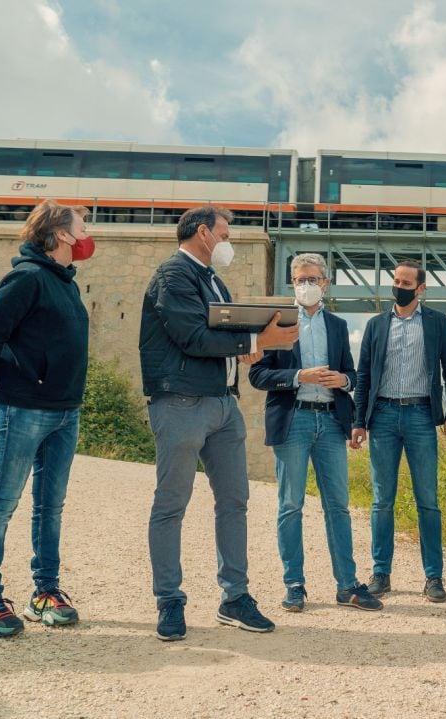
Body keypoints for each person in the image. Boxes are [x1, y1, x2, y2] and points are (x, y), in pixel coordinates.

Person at [139, 204, 298, 641]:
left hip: (224, 403)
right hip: (181, 402)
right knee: (172, 503)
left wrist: (248, 348)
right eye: (225, 235)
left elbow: (221, 339)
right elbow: (191, 336)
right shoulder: (173, 275)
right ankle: (169, 601)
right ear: (204, 233)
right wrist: (255, 339)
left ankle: (234, 597)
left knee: (235, 502)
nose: (228, 243)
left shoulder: (214, 281)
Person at [0, 200, 96, 637]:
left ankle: (45, 592)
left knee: (49, 507)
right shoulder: (27, 277)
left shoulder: (65, 282)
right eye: (82, 226)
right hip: (23, 409)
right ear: (61, 234)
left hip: (64, 412)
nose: (87, 233)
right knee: (3, 503)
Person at [249, 253, 383, 613]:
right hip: (293, 421)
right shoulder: (276, 322)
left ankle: (347, 586)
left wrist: (344, 381)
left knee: (337, 506)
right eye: (299, 280)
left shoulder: (338, 326)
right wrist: (297, 377)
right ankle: (294, 585)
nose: (306, 285)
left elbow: (353, 375)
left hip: (330, 422)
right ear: (292, 283)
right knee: (290, 505)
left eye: (312, 279)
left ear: (325, 283)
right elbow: (257, 375)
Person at [351, 260, 446, 602]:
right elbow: (364, 376)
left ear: (421, 288)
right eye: (396, 280)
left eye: (406, 281)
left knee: (427, 500)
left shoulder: (437, 323)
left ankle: (433, 577)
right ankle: (380, 573)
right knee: (382, 500)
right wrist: (358, 421)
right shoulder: (375, 325)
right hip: (382, 415)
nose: (399, 286)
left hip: (420, 416)